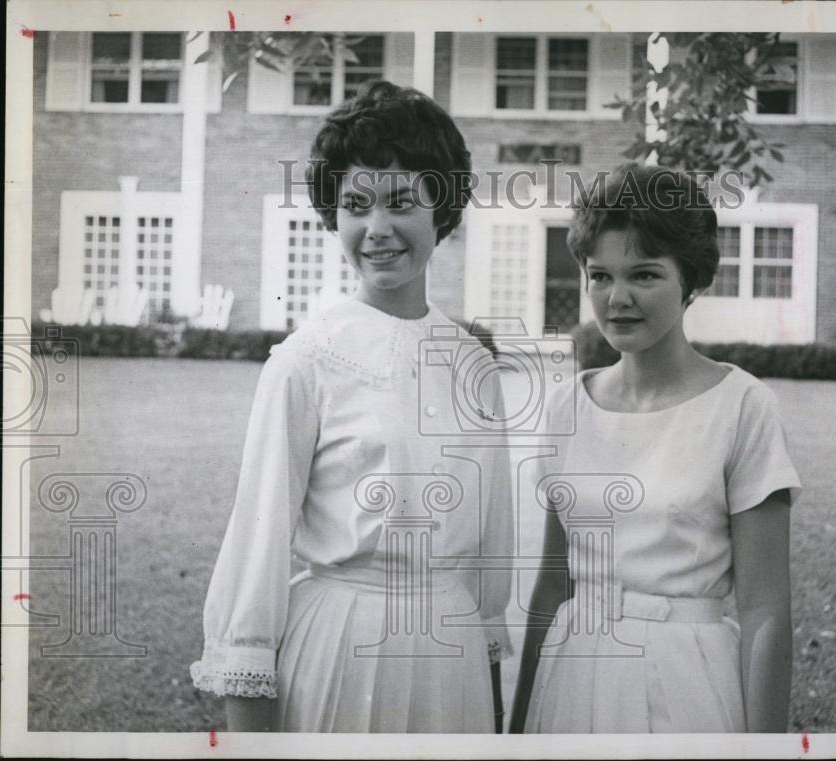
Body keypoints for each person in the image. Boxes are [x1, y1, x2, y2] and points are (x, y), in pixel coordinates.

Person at [190, 81, 513, 733]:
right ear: (334, 217)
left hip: (452, 665)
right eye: (356, 205)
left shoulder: (475, 364)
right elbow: (259, 545)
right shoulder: (305, 361)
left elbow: (491, 550)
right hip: (341, 650)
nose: (377, 229)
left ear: (439, 210)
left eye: (401, 202)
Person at [509, 163, 801, 733]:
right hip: (575, 678)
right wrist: (518, 731)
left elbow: (766, 610)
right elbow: (553, 583)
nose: (618, 298)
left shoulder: (741, 406)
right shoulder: (567, 406)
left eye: (644, 275)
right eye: (600, 276)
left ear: (691, 280)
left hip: (687, 679)